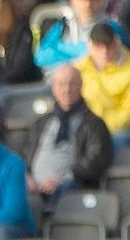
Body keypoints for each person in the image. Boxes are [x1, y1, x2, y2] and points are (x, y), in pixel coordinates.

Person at [25, 65, 110, 203]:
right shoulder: (40, 123)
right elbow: (25, 155)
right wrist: (27, 178)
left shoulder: (94, 123)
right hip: (34, 186)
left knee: (66, 189)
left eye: (72, 84)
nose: (66, 89)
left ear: (81, 86)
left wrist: (63, 178)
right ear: (53, 87)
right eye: (61, 84)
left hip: (70, 185)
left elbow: (96, 161)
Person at [78, 20, 130, 151]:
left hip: (117, 132)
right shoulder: (78, 70)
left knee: (106, 144)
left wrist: (99, 127)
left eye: (108, 44)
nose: (104, 50)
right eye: (98, 45)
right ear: (90, 46)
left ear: (117, 43)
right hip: (84, 129)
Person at [33, 0, 125, 73]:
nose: (88, 5)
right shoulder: (61, 26)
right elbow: (41, 58)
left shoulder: (114, 27)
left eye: (94, 0)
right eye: (83, 0)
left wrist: (61, 51)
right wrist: (85, 51)